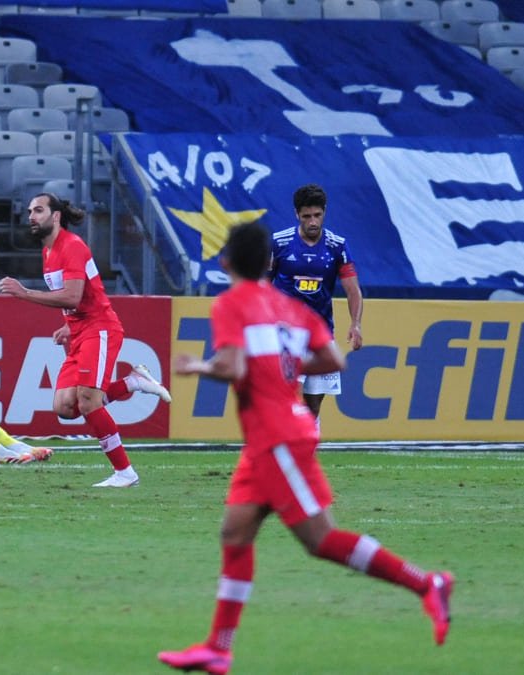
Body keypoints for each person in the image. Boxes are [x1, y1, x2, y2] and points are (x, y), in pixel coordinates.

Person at [158, 222, 453, 675]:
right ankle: (218, 647)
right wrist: (286, 366)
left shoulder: (231, 304)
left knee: (320, 539)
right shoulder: (290, 309)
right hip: (270, 438)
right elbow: (334, 359)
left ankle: (426, 583)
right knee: (235, 533)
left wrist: (199, 365)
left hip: (277, 436)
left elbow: (233, 364)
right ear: (269, 264)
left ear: (226, 263)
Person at [0, 193, 171, 488]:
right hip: (80, 331)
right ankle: (131, 383)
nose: (31, 216)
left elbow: (73, 296)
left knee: (89, 402)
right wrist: (68, 325)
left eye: (38, 211)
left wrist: (24, 293)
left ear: (55, 216)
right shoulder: (49, 251)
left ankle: (125, 473)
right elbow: (76, 299)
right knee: (65, 407)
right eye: (29, 211)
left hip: (99, 328)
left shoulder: (72, 247)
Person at [268, 183, 362, 420]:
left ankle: (306, 450)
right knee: (284, 396)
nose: (312, 221)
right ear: (297, 214)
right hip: (285, 334)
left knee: (314, 405)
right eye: (306, 216)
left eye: (317, 215)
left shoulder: (337, 246)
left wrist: (356, 324)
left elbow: (353, 290)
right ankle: (281, 448)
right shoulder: (278, 243)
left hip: (320, 333)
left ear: (324, 212)